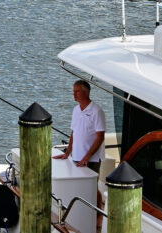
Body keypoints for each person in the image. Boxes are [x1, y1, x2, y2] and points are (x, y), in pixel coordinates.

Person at [54, 80, 106, 233]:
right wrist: (67, 153)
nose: (74, 94)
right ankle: (80, 215)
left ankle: (97, 216)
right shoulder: (76, 110)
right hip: (76, 157)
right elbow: (73, 132)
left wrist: (87, 157)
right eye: (74, 91)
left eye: (77, 91)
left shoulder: (97, 111)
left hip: (91, 159)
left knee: (92, 186)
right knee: (81, 186)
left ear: (86, 92)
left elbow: (100, 137)